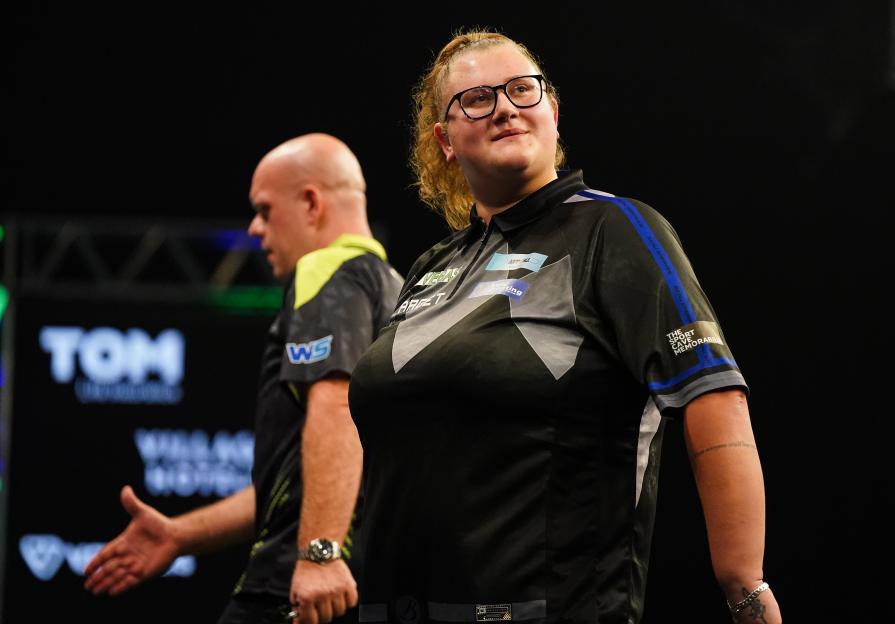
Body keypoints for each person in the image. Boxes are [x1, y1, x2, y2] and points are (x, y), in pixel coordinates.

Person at [347, 31, 782, 624]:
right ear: (444, 142)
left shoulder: (615, 229)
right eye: (476, 98)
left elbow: (714, 394)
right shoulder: (433, 266)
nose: (504, 107)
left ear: (551, 111)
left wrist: (745, 588)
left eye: (523, 90)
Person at [84, 133, 403, 624]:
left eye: (264, 210)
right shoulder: (398, 290)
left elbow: (336, 407)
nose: (254, 229)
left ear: (312, 203)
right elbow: (311, 473)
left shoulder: (326, 269)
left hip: (294, 590)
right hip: (354, 589)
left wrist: (318, 555)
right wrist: (180, 534)